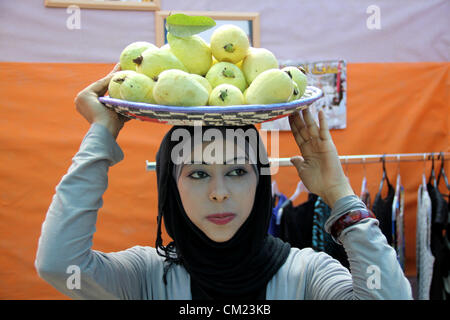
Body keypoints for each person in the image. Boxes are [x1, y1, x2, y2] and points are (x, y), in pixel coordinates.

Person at [35, 64, 412, 300]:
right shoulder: (146, 277)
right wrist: (101, 133)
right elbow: (59, 265)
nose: (219, 193)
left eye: (237, 171)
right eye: (198, 174)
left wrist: (340, 194)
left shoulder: (307, 276)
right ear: (171, 186)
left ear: (261, 182)